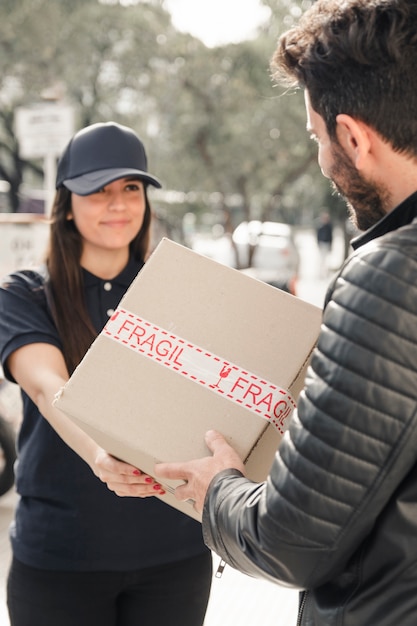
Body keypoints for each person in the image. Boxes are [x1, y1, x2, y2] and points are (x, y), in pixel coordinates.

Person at [155, 1, 417, 624]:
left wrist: (219, 487)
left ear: (353, 137)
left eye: (317, 138)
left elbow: (292, 542)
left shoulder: (389, 275)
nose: (323, 159)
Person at [0, 122, 212, 626]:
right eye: (98, 190)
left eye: (131, 188)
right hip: (60, 561)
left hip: (175, 558)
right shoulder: (26, 294)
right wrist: (101, 453)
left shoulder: (179, 291)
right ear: (66, 203)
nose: (117, 203)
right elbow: (46, 385)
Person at [316, 211, 333, 277]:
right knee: (321, 260)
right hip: (321, 244)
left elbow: (331, 236)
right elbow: (317, 236)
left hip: (327, 244)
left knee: (326, 260)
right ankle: (320, 273)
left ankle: (326, 273)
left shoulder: (329, 226)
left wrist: (331, 245)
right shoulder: (320, 226)